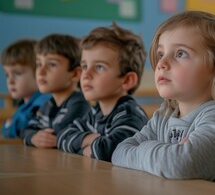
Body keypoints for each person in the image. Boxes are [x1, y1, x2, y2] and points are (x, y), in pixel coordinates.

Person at [112, 10, 215, 183]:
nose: (162, 64)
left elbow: (181, 165)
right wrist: (167, 152)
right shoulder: (164, 116)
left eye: (180, 53)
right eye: (161, 54)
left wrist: (146, 150)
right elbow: (119, 152)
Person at [57, 22, 149, 161]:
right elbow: (62, 137)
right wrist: (90, 139)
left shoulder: (131, 115)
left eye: (99, 67)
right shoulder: (95, 112)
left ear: (127, 80)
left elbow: (110, 152)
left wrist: (81, 148)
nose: (86, 74)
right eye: (84, 66)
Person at [22, 34, 90, 148]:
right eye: (39, 64)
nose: (41, 71)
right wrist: (33, 137)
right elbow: (25, 130)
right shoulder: (47, 104)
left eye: (52, 64)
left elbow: (61, 135)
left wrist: (38, 135)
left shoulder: (79, 103)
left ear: (75, 74)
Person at [1, 39, 51, 138]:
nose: (10, 81)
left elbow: (20, 129)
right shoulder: (25, 104)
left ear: (39, 72)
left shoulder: (44, 102)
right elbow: (6, 131)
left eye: (17, 73)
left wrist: (10, 125)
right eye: (7, 75)